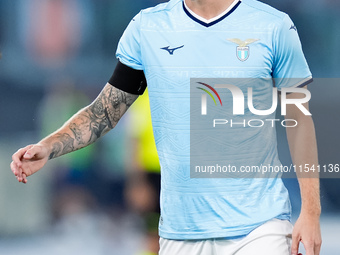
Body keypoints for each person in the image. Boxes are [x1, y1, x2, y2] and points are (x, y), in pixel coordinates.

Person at [11, 0, 322, 254]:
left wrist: (311, 211)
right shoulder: (148, 28)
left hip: (259, 228)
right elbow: (102, 113)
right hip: (179, 233)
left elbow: (300, 122)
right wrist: (49, 146)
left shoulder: (273, 26)